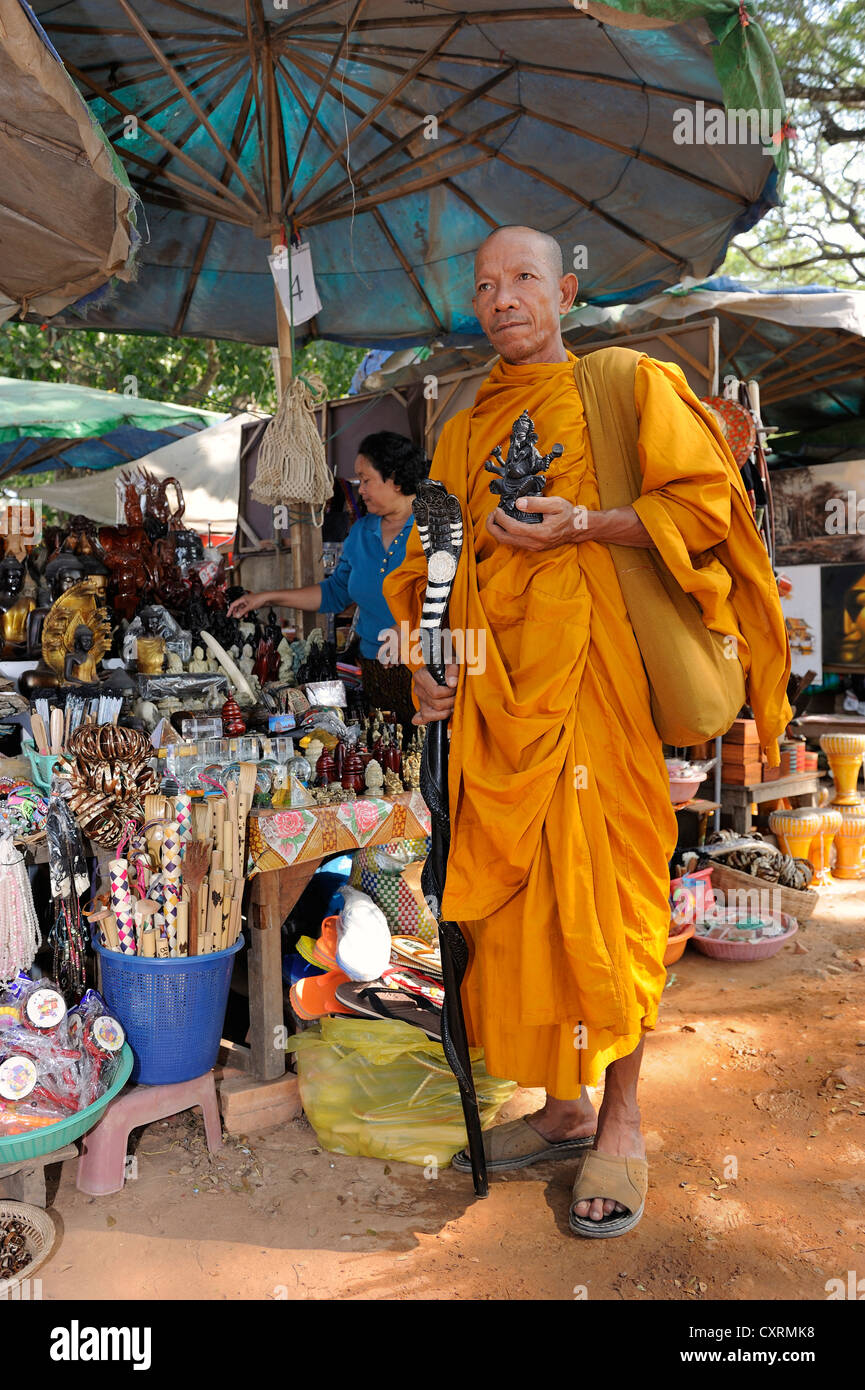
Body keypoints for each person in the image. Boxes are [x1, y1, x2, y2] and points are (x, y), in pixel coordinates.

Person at [384, 225, 791, 1237]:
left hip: (594, 696)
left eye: (523, 278)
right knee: (520, 913)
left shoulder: (624, 384)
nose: (503, 298)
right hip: (496, 708)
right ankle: (562, 1106)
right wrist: (431, 666)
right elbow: (435, 565)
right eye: (484, 285)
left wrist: (586, 524)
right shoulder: (461, 424)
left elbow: (703, 506)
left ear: (565, 290)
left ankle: (620, 1121)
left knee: (605, 897)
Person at [228, 432, 429, 726]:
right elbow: (335, 593)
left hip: (429, 676)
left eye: (366, 480)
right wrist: (265, 597)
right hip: (375, 674)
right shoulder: (361, 532)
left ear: (395, 479)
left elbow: (457, 601)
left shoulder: (434, 529)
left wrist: (408, 629)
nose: (360, 489)